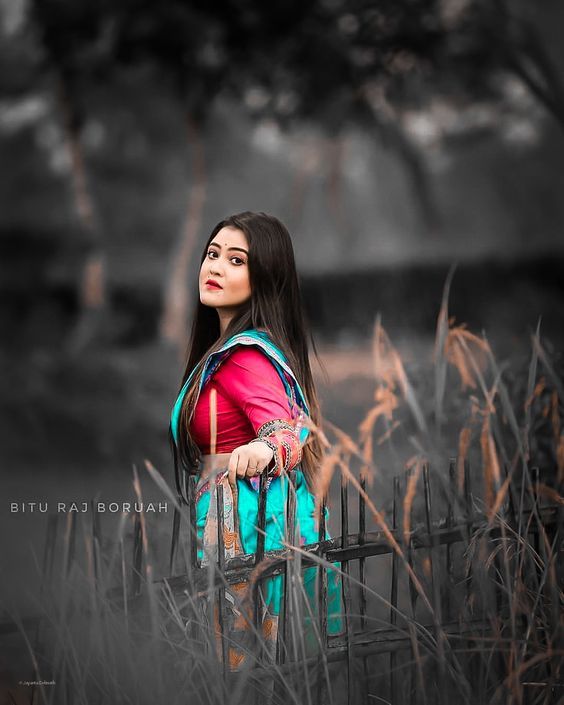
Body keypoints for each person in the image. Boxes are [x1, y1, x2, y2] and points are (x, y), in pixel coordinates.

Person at [169, 211, 343, 671]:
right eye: (212, 254)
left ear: (265, 276)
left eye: (236, 260)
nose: (215, 267)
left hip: (245, 527)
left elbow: (287, 429)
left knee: (245, 669)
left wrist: (265, 449)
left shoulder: (244, 354)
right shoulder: (228, 350)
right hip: (225, 515)